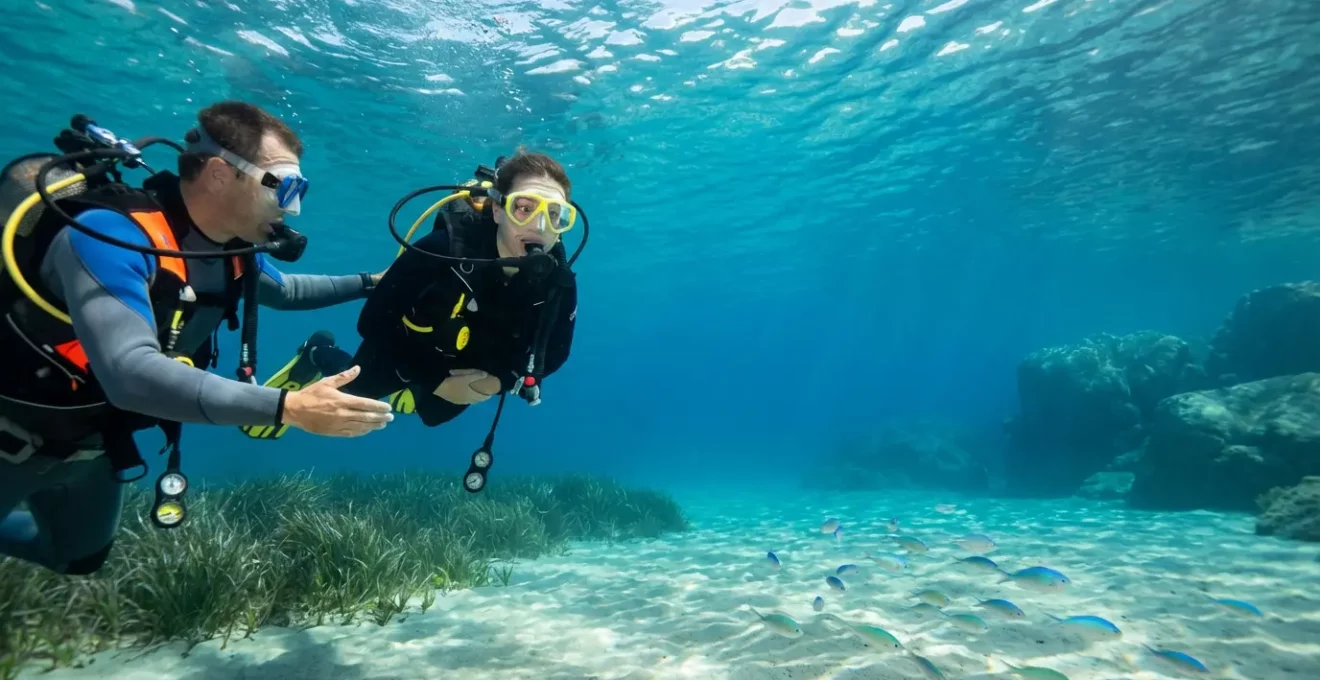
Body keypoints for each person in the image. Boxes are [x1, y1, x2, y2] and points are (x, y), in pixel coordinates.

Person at [0, 101, 393, 575]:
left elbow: (286, 291)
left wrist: (372, 282)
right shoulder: (109, 234)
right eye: (285, 187)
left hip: (93, 448)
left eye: (300, 190)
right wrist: (288, 407)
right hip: (11, 439)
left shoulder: (232, 250)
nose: (294, 208)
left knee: (78, 558)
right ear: (219, 175)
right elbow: (129, 372)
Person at [242, 150, 581, 488]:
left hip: (468, 363)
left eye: (555, 215)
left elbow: (555, 353)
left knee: (434, 416)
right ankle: (316, 352)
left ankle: (416, 391)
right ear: (497, 210)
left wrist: (501, 382)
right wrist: (433, 379)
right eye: (524, 208)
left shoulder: (558, 280)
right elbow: (372, 321)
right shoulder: (442, 248)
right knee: (356, 400)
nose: (540, 226)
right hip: (403, 350)